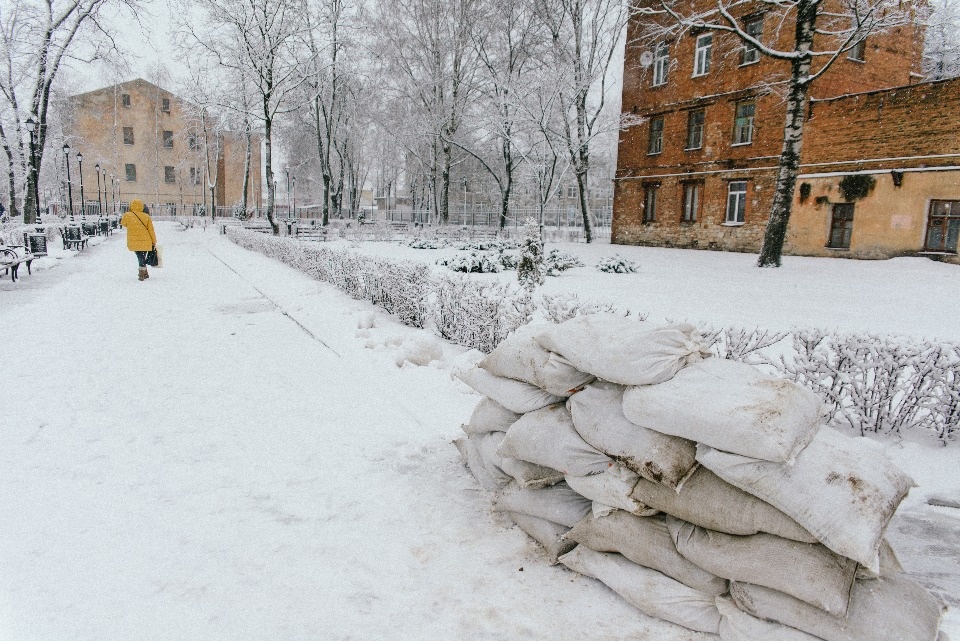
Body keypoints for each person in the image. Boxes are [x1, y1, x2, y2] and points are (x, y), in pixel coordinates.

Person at [120, 199, 157, 281]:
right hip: (146, 240)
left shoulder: (127, 215)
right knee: (142, 256)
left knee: (140, 257)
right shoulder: (146, 216)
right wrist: (154, 241)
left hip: (134, 241)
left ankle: (142, 274)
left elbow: (123, 223)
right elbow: (151, 230)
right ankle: (144, 272)